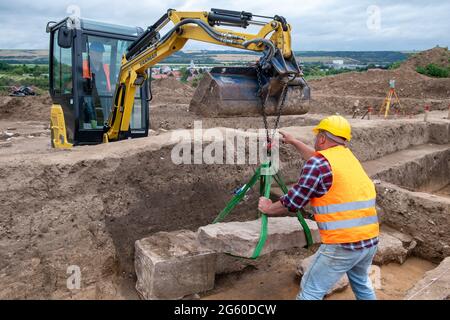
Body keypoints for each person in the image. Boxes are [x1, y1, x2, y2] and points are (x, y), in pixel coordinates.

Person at [258, 115, 379, 300]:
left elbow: (294, 202)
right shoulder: (347, 157)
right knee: (362, 284)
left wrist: (268, 208)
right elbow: (317, 159)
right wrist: (294, 142)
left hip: (343, 243)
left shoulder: (319, 164)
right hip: (369, 240)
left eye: (317, 136)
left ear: (322, 138)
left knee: (310, 290)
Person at [82, 41, 112, 129]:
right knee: (90, 107)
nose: (99, 55)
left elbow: (110, 81)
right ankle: (93, 128)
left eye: (101, 53)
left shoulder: (105, 67)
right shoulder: (84, 65)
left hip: (104, 96)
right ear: (90, 53)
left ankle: (104, 126)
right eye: (97, 53)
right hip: (89, 95)